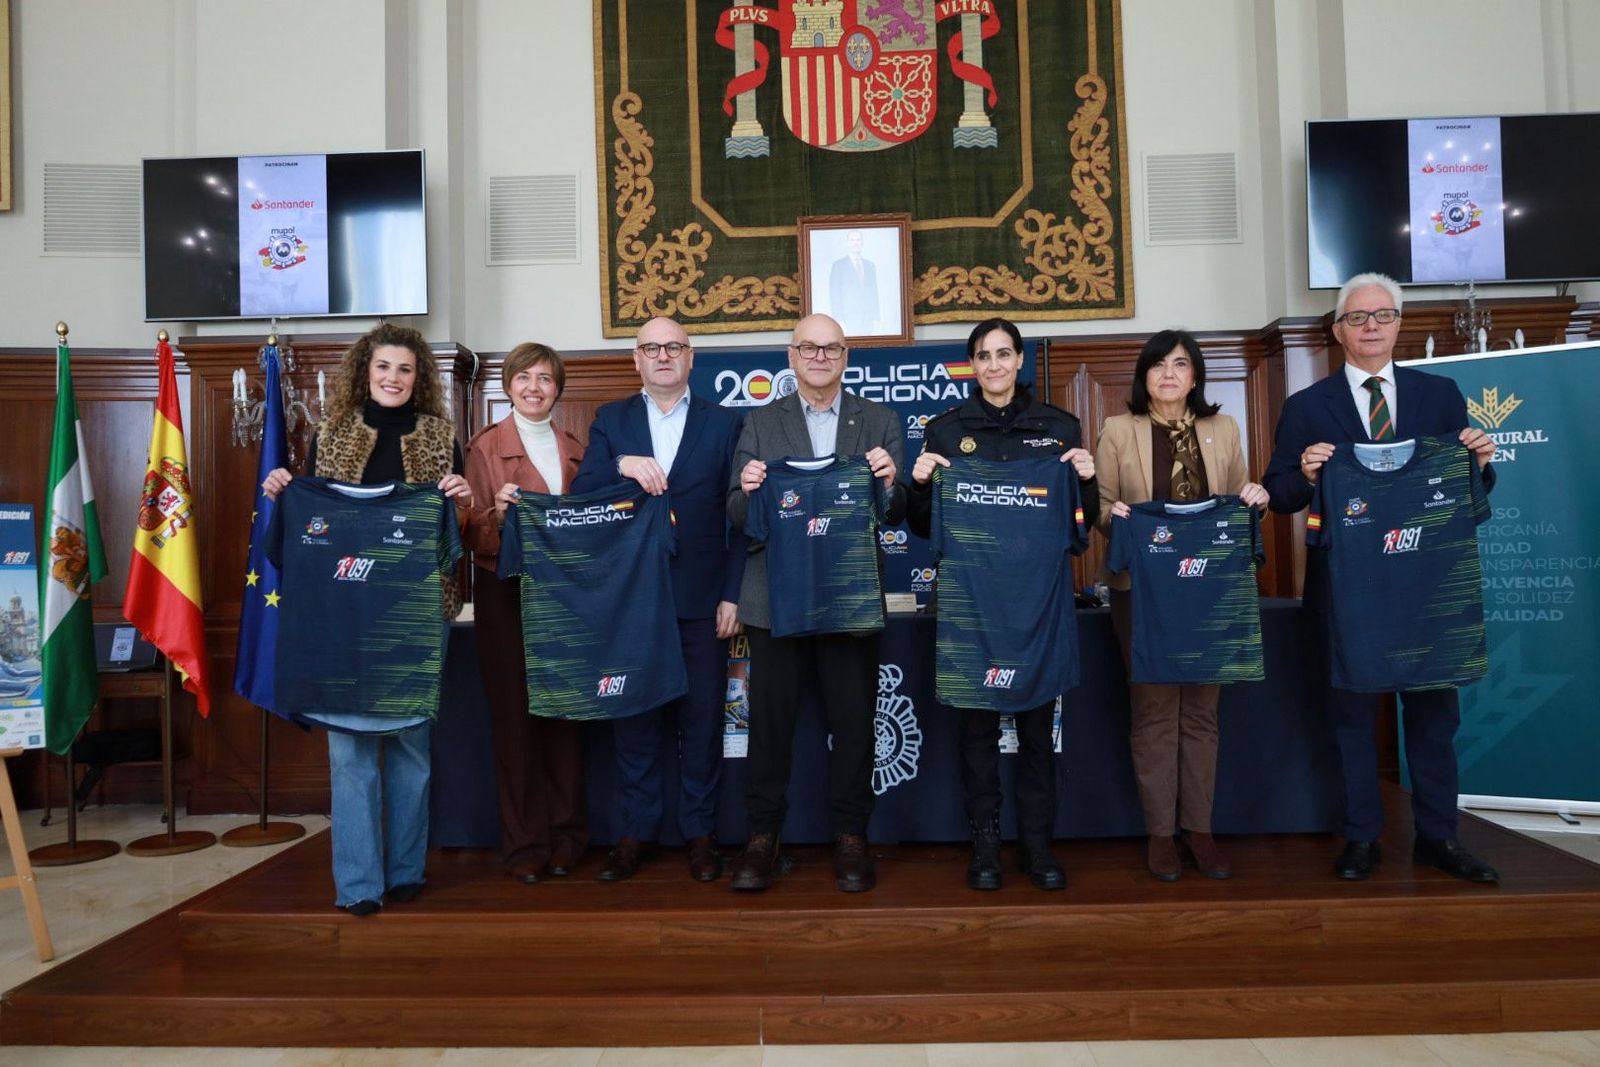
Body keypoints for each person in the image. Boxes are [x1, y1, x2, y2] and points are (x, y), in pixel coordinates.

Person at [1264, 271, 1500, 883]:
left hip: (1427, 589)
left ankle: (1439, 837)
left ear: (1399, 323)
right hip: (1346, 593)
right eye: (1358, 318)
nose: (1371, 327)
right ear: (1337, 330)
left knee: (1433, 717)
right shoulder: (1306, 407)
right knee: (1350, 719)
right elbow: (1280, 492)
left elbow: (1465, 491)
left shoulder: (1441, 394)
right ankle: (1362, 836)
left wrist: (1479, 462)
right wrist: (1310, 474)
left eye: (1383, 315)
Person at [263, 323, 474, 915]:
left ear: (419, 377)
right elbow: (305, 530)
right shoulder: (329, 434)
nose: (393, 378)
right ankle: (358, 885)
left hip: (415, 612)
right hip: (343, 612)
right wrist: (285, 491)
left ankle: (407, 871)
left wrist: (459, 502)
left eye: (405, 369)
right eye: (384, 367)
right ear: (366, 371)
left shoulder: (440, 436)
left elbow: (451, 538)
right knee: (349, 751)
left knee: (411, 744)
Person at [905, 317, 1099, 891]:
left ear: (1019, 361)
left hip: (1039, 606)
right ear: (973, 366)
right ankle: (984, 845)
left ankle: (1038, 846)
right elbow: (922, 526)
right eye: (982, 356)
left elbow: (1077, 526)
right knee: (977, 736)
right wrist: (917, 485)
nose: (993, 365)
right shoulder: (943, 432)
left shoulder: (1060, 429)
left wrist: (1086, 481)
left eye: (1003, 354)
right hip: (971, 608)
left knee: (1040, 734)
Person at [725, 313, 905, 893]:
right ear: (791, 354)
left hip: (849, 598)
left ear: (847, 356)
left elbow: (897, 512)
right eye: (809, 347)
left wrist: (889, 482)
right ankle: (762, 837)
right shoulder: (757, 423)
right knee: (769, 726)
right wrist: (748, 490)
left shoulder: (878, 421)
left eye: (831, 348)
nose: (820, 357)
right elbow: (735, 513)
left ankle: (852, 836)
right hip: (775, 598)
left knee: (853, 724)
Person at [570, 317, 746, 883]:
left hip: (702, 600)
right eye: (652, 347)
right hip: (631, 603)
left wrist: (732, 594)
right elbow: (584, 491)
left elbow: (739, 518)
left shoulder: (724, 423)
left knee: (700, 723)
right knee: (635, 722)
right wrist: (621, 463)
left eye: (674, 347)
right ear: (637, 360)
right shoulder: (612, 421)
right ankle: (636, 832)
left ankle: (700, 832)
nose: (664, 356)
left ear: (691, 359)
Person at [1095, 329, 1269, 882]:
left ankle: (1200, 830)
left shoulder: (1223, 428)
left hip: (1211, 595)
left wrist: (1256, 499)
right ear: (1143, 376)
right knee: (1153, 712)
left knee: (1201, 713)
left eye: (1180, 365)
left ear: (1196, 376)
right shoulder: (1119, 430)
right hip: (1143, 596)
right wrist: (1115, 515)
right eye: (1158, 365)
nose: (1169, 374)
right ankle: (1161, 835)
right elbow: (1099, 506)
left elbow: (1242, 498)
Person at [461, 343, 589, 884]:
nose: (535, 388)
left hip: (565, 596)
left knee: (564, 719)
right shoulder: (485, 448)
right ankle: (524, 846)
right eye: (524, 378)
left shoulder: (577, 448)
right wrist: (497, 514)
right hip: (504, 592)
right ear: (508, 385)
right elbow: (466, 529)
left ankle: (568, 838)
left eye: (545, 379)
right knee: (515, 723)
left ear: (557, 389)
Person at [828, 230, 880, 336]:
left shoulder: (870, 265)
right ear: (847, 243)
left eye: (858, 240)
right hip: (847, 319)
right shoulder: (838, 266)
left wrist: (876, 318)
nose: (855, 243)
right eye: (852, 240)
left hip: (868, 319)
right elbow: (835, 295)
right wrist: (839, 320)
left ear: (862, 243)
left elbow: (874, 293)